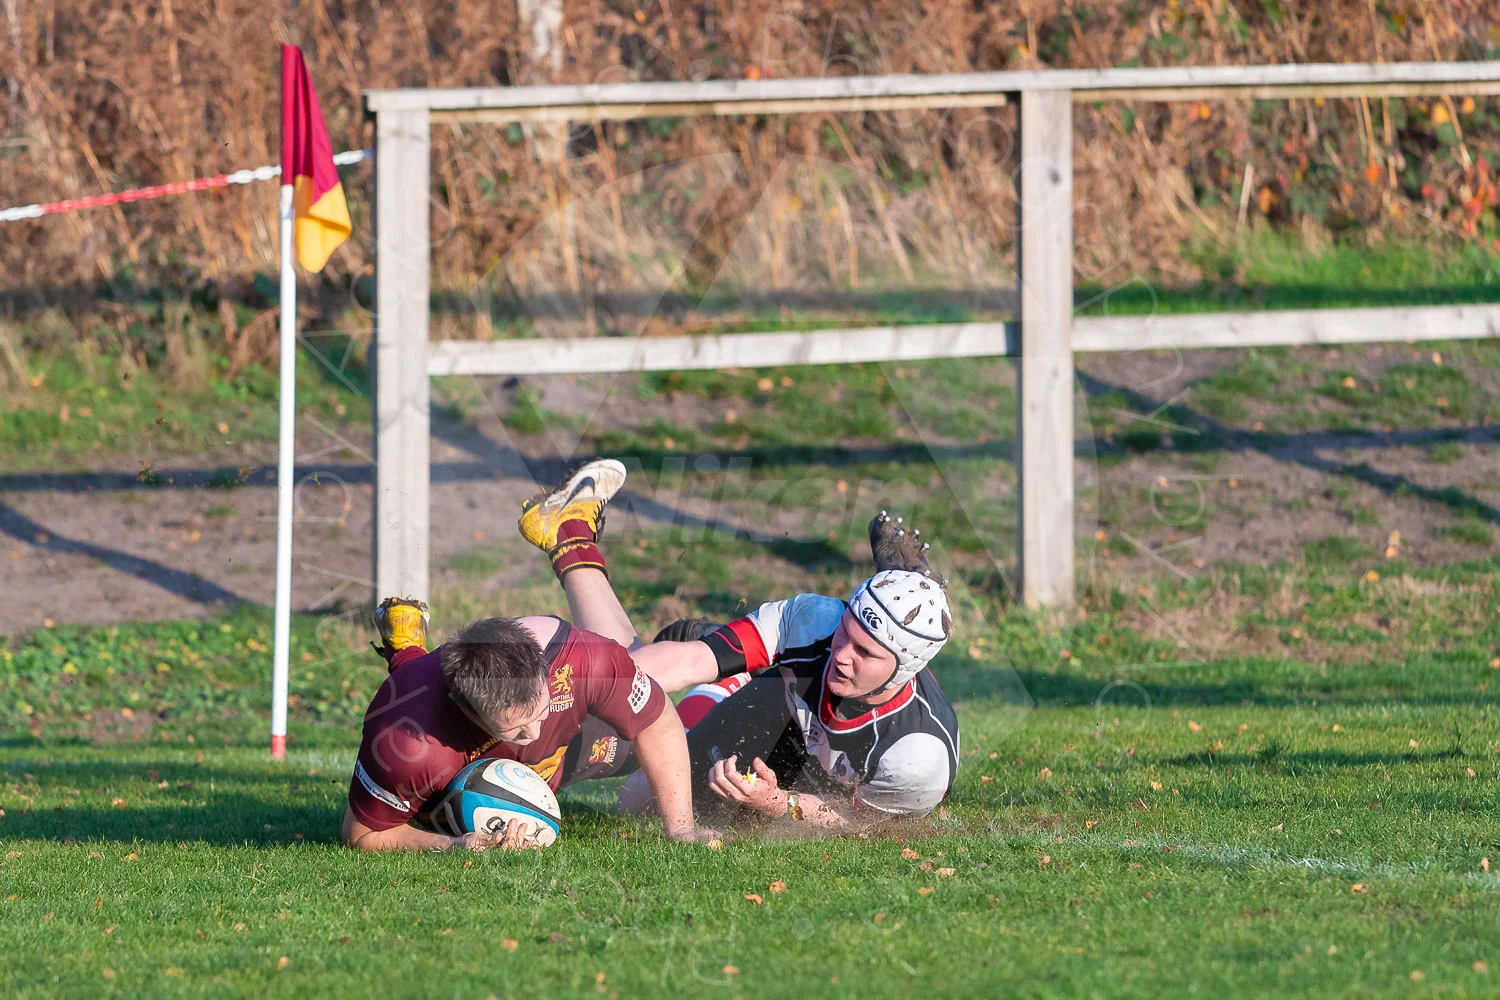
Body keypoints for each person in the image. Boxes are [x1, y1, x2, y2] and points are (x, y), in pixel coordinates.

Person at [516, 458, 961, 831]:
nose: (841, 654)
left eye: (866, 653)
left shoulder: (917, 757)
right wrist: (560, 697)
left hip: (821, 773)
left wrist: (777, 803)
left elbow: (856, 827)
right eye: (847, 633)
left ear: (905, 668)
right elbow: (690, 658)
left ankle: (569, 534)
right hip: (780, 706)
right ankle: (740, 674)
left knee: (641, 785)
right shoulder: (817, 621)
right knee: (638, 791)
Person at [341, 460, 709, 851]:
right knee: (432, 800)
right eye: (515, 730)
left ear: (543, 668)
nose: (533, 736)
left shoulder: (580, 659)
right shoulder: (407, 742)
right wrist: (455, 845)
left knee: (632, 745)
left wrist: (682, 830)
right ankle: (405, 646)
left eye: (539, 712)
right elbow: (361, 835)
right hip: (421, 705)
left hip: (448, 688)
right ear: (467, 710)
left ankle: (566, 536)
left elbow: (658, 721)